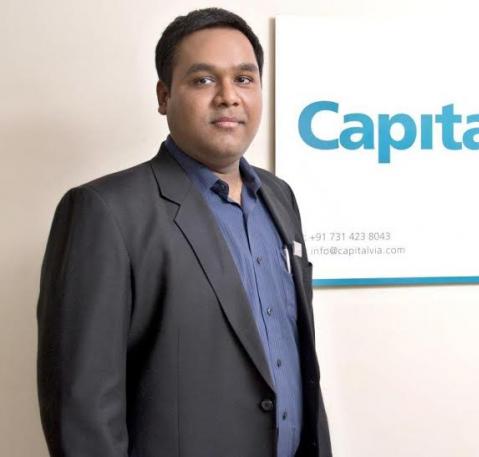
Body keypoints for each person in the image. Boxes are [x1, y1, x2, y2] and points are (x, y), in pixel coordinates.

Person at [36, 7, 331, 457]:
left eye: (244, 79)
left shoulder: (279, 197)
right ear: (164, 95)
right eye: (203, 79)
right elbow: (81, 408)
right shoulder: (104, 211)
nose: (229, 97)